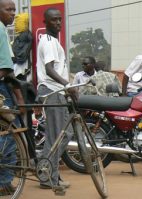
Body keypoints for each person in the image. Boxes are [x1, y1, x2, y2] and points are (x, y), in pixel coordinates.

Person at [36, 7, 78, 189]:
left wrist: (66, 87)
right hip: (52, 91)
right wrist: (67, 85)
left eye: (60, 19)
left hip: (57, 92)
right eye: (54, 20)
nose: (58, 23)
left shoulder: (53, 41)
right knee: (56, 136)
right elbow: (49, 69)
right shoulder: (47, 41)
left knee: (65, 134)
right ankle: (46, 176)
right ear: (45, 22)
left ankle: (49, 172)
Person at [0, 0, 25, 195]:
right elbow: (7, 70)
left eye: (14, 10)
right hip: (2, 89)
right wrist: (19, 97)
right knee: (9, 133)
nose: (12, 14)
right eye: (8, 10)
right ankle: (4, 181)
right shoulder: (1, 29)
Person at [12, 13, 32, 81]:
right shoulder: (25, 36)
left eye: (17, 23)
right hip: (22, 68)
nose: (15, 25)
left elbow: (20, 56)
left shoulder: (23, 37)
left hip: (20, 69)